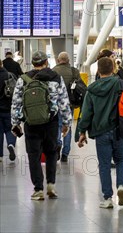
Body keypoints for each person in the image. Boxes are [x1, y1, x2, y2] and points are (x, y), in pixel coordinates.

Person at [11, 51, 71, 201]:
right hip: (51, 122)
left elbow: (16, 102)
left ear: (33, 63)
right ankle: (51, 183)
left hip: (31, 123)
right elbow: (64, 102)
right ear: (46, 62)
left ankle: (38, 189)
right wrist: (66, 123)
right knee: (51, 153)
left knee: (33, 155)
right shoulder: (56, 77)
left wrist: (15, 123)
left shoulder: (23, 79)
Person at [76, 56, 123, 209]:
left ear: (98, 71)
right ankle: (121, 186)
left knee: (104, 165)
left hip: (101, 132)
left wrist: (82, 132)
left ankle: (107, 198)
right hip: (120, 130)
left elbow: (86, 113)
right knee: (121, 160)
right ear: (113, 68)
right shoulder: (122, 84)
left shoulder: (92, 89)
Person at [52, 52, 81, 163]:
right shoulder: (74, 71)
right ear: (68, 60)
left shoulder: (53, 71)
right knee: (67, 126)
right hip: (70, 104)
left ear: (58, 60)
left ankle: (58, 144)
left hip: (57, 104)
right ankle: (65, 153)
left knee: (58, 126)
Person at [0, 59, 17, 163]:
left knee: (0, 131)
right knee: (13, 128)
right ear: (1, 64)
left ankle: (0, 156)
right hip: (9, 108)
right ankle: (11, 144)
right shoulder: (10, 75)